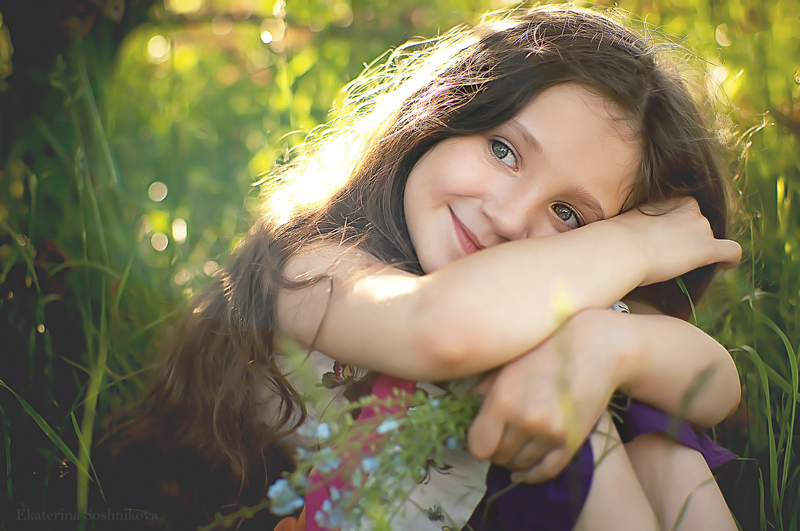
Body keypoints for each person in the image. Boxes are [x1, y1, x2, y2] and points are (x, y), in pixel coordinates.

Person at [100, 6, 742, 531]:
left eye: (568, 214)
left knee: (657, 434)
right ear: (441, 114)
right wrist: (635, 241)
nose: (509, 216)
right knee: (585, 417)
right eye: (503, 150)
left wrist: (603, 343)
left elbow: (715, 384)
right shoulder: (311, 262)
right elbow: (439, 327)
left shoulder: (561, 307)